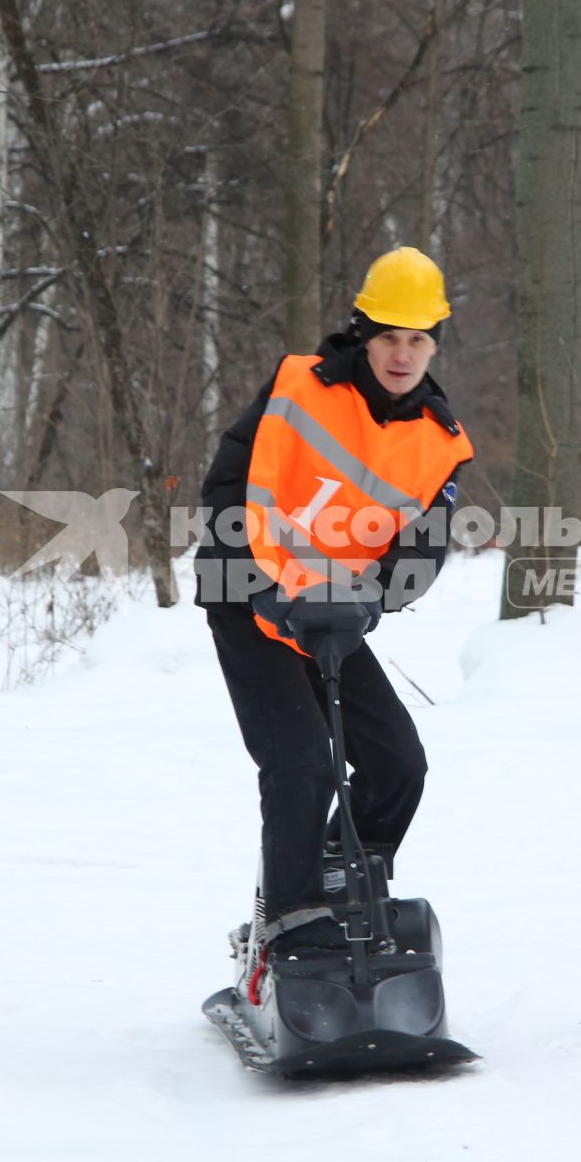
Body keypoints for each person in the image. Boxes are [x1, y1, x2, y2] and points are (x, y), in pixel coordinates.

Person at [195, 247, 474, 958]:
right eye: (389, 338)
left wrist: (376, 597)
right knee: (303, 763)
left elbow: (425, 546)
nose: (403, 355)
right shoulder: (299, 389)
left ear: (434, 342)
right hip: (248, 598)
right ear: (363, 334)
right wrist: (264, 588)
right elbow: (229, 489)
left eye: (418, 340)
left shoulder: (438, 441)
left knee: (398, 763)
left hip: (335, 615)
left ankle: (341, 877)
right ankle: (286, 923)